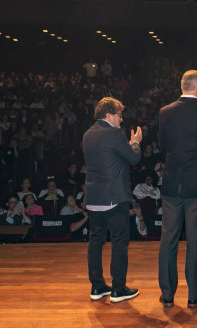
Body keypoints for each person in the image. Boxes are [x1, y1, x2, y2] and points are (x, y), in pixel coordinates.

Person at [157, 70, 197, 309]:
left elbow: (162, 145)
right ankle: (194, 295)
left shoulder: (165, 112)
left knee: (168, 240)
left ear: (182, 86)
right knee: (195, 241)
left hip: (173, 183)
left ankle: (167, 295)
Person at [83, 96, 142, 303]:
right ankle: (118, 289)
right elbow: (133, 158)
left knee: (95, 240)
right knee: (119, 241)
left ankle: (97, 286)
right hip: (113, 198)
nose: (121, 120)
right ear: (108, 115)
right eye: (119, 115)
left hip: (93, 197)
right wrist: (134, 143)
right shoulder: (114, 134)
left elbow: (110, 157)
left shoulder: (88, 134)